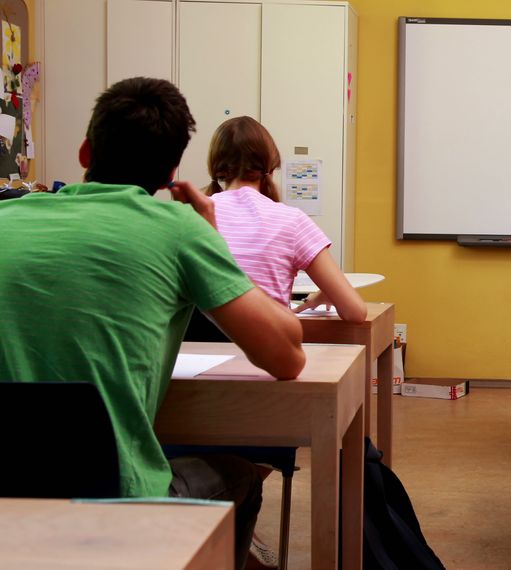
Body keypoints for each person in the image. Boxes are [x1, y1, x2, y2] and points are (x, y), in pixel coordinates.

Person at [0, 77, 306, 569]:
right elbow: (287, 358)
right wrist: (208, 233)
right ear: (171, 174)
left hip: (7, 504)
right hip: (112, 503)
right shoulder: (179, 228)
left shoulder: (5, 218)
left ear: (84, 152)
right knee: (240, 478)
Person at [204, 116, 367, 322]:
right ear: (270, 169)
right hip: (264, 349)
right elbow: (355, 312)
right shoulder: (292, 221)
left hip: (189, 352)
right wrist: (328, 293)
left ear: (216, 166)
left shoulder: (191, 216)